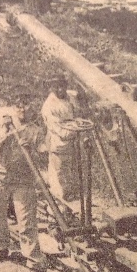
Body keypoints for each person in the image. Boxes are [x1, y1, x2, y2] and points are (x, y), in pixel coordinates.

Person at [0, 96, 48, 272]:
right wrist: (4, 132)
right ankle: (0, 247)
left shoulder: (36, 130)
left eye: (27, 104)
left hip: (22, 179)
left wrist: (33, 150)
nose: (22, 109)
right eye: (19, 106)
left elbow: (43, 155)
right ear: (13, 108)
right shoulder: (3, 123)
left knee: (26, 222)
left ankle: (35, 263)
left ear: (33, 107)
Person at [41, 75, 78, 204]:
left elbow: (78, 113)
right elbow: (57, 128)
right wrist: (75, 131)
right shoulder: (49, 105)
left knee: (70, 171)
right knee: (58, 173)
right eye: (57, 87)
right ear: (52, 88)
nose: (60, 90)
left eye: (62, 86)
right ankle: (60, 202)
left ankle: (71, 198)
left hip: (72, 142)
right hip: (59, 142)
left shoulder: (70, 98)